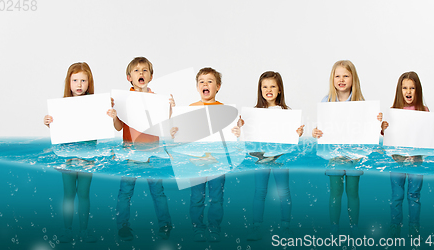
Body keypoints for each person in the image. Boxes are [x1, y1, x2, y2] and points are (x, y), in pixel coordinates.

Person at [44, 62, 112, 243]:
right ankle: (67, 230)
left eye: (83, 80)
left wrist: (110, 115)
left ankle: (83, 230)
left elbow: (105, 125)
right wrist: (49, 121)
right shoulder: (61, 106)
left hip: (88, 156)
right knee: (68, 193)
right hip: (67, 157)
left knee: (83, 193)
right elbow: (56, 126)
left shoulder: (97, 105)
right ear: (69, 82)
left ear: (89, 82)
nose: (79, 84)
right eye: (75, 80)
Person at [312, 60, 382, 236]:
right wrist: (316, 132)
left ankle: (354, 227)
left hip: (355, 157)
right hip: (334, 156)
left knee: (353, 192)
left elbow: (368, 129)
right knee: (335, 193)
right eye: (337, 76)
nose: (341, 79)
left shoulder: (361, 103)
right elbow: (322, 128)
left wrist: (377, 120)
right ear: (332, 79)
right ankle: (334, 228)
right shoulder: (326, 101)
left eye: (346, 75)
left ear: (353, 79)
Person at [232, 71, 304, 241]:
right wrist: (241, 127)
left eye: (273, 86)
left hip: (280, 157)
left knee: (284, 192)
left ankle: (285, 227)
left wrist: (298, 133)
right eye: (265, 86)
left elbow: (292, 139)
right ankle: (256, 227)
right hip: (261, 158)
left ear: (280, 90)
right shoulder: (253, 114)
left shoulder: (287, 113)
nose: (268, 89)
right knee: (260, 192)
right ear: (260, 90)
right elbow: (245, 139)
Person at [110, 57, 175, 241]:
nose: (141, 73)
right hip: (130, 153)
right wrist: (115, 115)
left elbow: (166, 124)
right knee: (125, 192)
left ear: (151, 76)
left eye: (145, 70)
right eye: (137, 70)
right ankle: (122, 226)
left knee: (158, 191)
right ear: (129, 77)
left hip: (153, 152)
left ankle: (165, 225)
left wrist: (170, 108)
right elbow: (117, 128)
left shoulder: (157, 100)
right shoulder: (124, 100)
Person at [381, 71, 434, 238]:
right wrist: (383, 128)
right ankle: (395, 226)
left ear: (418, 90)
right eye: (405, 87)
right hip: (397, 160)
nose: (408, 91)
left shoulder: (424, 110)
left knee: (414, 195)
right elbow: (388, 135)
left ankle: (414, 227)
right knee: (396, 196)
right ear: (400, 90)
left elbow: (432, 133)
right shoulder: (393, 111)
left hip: (416, 161)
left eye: (412, 88)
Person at [171, 67, 227, 242]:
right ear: (197, 87)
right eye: (201, 81)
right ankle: (198, 228)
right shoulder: (190, 109)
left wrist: (237, 128)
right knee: (197, 197)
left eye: (210, 81)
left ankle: (214, 228)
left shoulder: (225, 110)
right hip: (195, 162)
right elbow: (181, 137)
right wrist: (175, 133)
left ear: (218, 87)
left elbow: (230, 138)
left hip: (218, 162)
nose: (205, 84)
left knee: (216, 198)